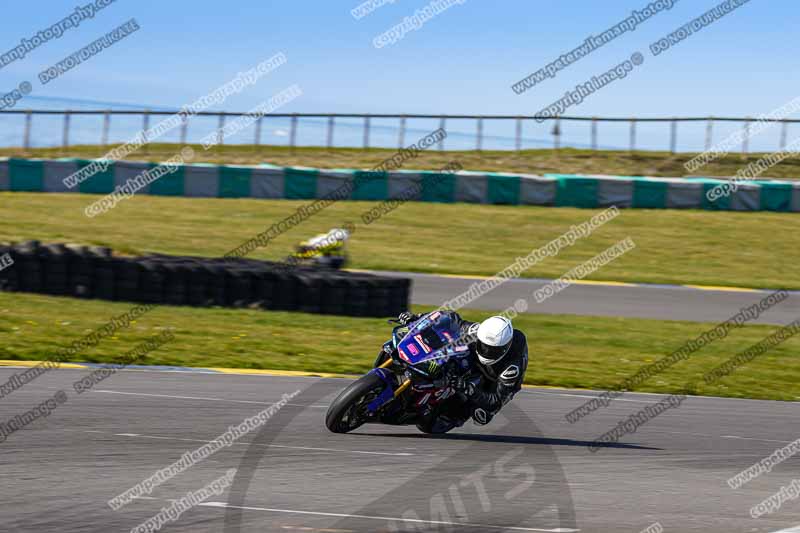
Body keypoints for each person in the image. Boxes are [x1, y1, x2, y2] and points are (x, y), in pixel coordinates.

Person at [395, 310, 529, 433]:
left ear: (504, 349)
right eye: (484, 346)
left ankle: (451, 413)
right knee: (450, 348)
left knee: (482, 415)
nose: (486, 352)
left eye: (491, 350)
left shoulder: (511, 368)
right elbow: (449, 318)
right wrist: (418, 318)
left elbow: (495, 400)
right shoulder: (476, 331)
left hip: (493, 379)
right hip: (473, 358)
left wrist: (468, 388)